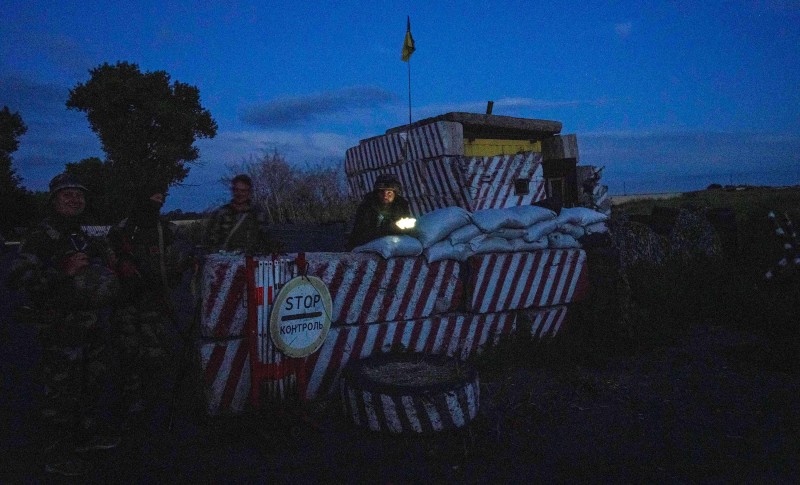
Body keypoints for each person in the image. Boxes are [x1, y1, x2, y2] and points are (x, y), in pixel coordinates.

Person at [7, 173, 120, 476]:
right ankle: (56, 453)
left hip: (91, 322)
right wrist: (62, 272)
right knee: (61, 391)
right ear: (54, 199)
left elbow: (102, 266)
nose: (75, 199)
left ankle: (86, 438)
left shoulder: (85, 233)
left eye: (79, 195)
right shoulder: (41, 235)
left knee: (91, 382)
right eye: (67, 194)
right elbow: (18, 278)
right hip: (60, 326)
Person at [106, 185, 191, 430]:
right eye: (154, 198)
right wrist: (123, 267)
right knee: (128, 351)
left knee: (155, 353)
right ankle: (131, 401)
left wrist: (183, 266)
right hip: (126, 303)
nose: (159, 203)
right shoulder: (120, 231)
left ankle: (153, 400)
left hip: (155, 301)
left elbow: (181, 257)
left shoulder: (166, 229)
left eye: (162, 199)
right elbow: (108, 261)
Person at [203, 174, 280, 254]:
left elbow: (266, 239)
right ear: (232, 191)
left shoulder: (258, 214)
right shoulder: (221, 213)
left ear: (249, 192)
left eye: (243, 191)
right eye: (236, 190)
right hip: (224, 260)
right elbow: (210, 241)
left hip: (250, 260)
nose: (239, 194)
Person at [347, 173, 413, 250]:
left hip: (395, 243)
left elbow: (408, 229)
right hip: (369, 243)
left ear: (395, 194)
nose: (385, 196)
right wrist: (388, 228)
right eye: (382, 192)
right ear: (377, 193)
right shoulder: (368, 205)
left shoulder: (401, 205)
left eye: (389, 193)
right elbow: (361, 232)